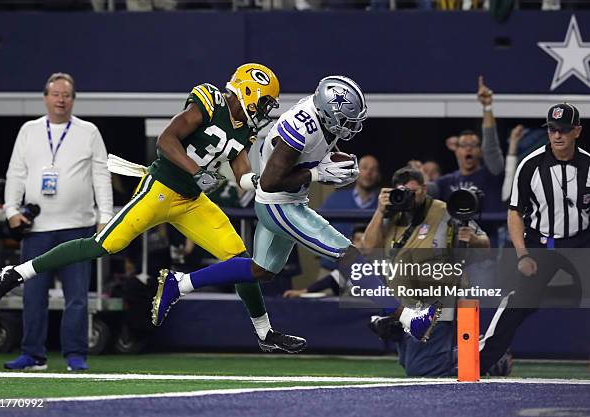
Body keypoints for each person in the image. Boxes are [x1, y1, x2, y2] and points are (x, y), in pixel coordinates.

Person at [0, 64, 306, 355]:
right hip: (160, 190)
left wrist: (292, 178)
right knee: (105, 245)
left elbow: (244, 177)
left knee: (239, 261)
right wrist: (195, 170)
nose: (266, 110)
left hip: (193, 200)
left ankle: (264, 333)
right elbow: (166, 141)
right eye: (264, 101)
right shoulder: (210, 101)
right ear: (248, 92)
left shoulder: (245, 130)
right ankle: (17, 272)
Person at [152, 75, 440, 343]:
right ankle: (407, 317)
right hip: (280, 203)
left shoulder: (320, 118)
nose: (351, 126)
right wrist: (319, 175)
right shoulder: (301, 129)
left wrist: (336, 165)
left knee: (260, 270)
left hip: (287, 199)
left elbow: (310, 157)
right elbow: (270, 181)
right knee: (348, 254)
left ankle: (181, 283)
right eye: (346, 119)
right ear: (329, 112)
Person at [0, 73, 113, 371]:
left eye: (67, 94)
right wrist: (11, 209)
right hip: (37, 229)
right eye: (56, 94)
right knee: (33, 295)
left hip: (78, 227)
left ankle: (75, 355)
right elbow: (16, 172)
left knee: (77, 297)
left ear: (74, 100)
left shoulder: (88, 132)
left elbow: (102, 175)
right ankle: (33, 354)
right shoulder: (29, 130)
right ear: (46, 97)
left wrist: (106, 217)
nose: (61, 99)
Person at [479, 102, 588, 374]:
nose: (557, 135)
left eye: (564, 129)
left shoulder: (589, 164)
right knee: (517, 300)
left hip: (582, 241)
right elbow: (515, 212)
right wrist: (523, 254)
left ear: (577, 131)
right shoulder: (530, 165)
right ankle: (480, 360)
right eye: (552, 129)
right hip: (543, 242)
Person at [362, 166, 489, 376]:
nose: (409, 198)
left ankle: (482, 355)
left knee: (421, 370)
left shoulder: (445, 212)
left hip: (437, 302)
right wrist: (379, 211)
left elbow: (486, 244)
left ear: (424, 189)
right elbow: (367, 249)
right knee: (409, 363)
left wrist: (474, 240)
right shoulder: (391, 212)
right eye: (404, 192)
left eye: (414, 192)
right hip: (403, 305)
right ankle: (482, 356)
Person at [428, 76, 505, 246]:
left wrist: (487, 107)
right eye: (464, 145)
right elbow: (424, 192)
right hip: (452, 249)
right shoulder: (446, 182)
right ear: (454, 148)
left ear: (480, 150)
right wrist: (420, 178)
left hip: (486, 247)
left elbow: (491, 146)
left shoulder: (491, 174)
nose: (469, 149)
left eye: (473, 145)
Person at [317, 155, 380, 273]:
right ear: (357, 171)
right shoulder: (336, 199)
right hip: (331, 268)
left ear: (378, 175)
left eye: (373, 169)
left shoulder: (381, 204)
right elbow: (317, 229)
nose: (369, 173)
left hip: (367, 272)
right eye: (365, 168)